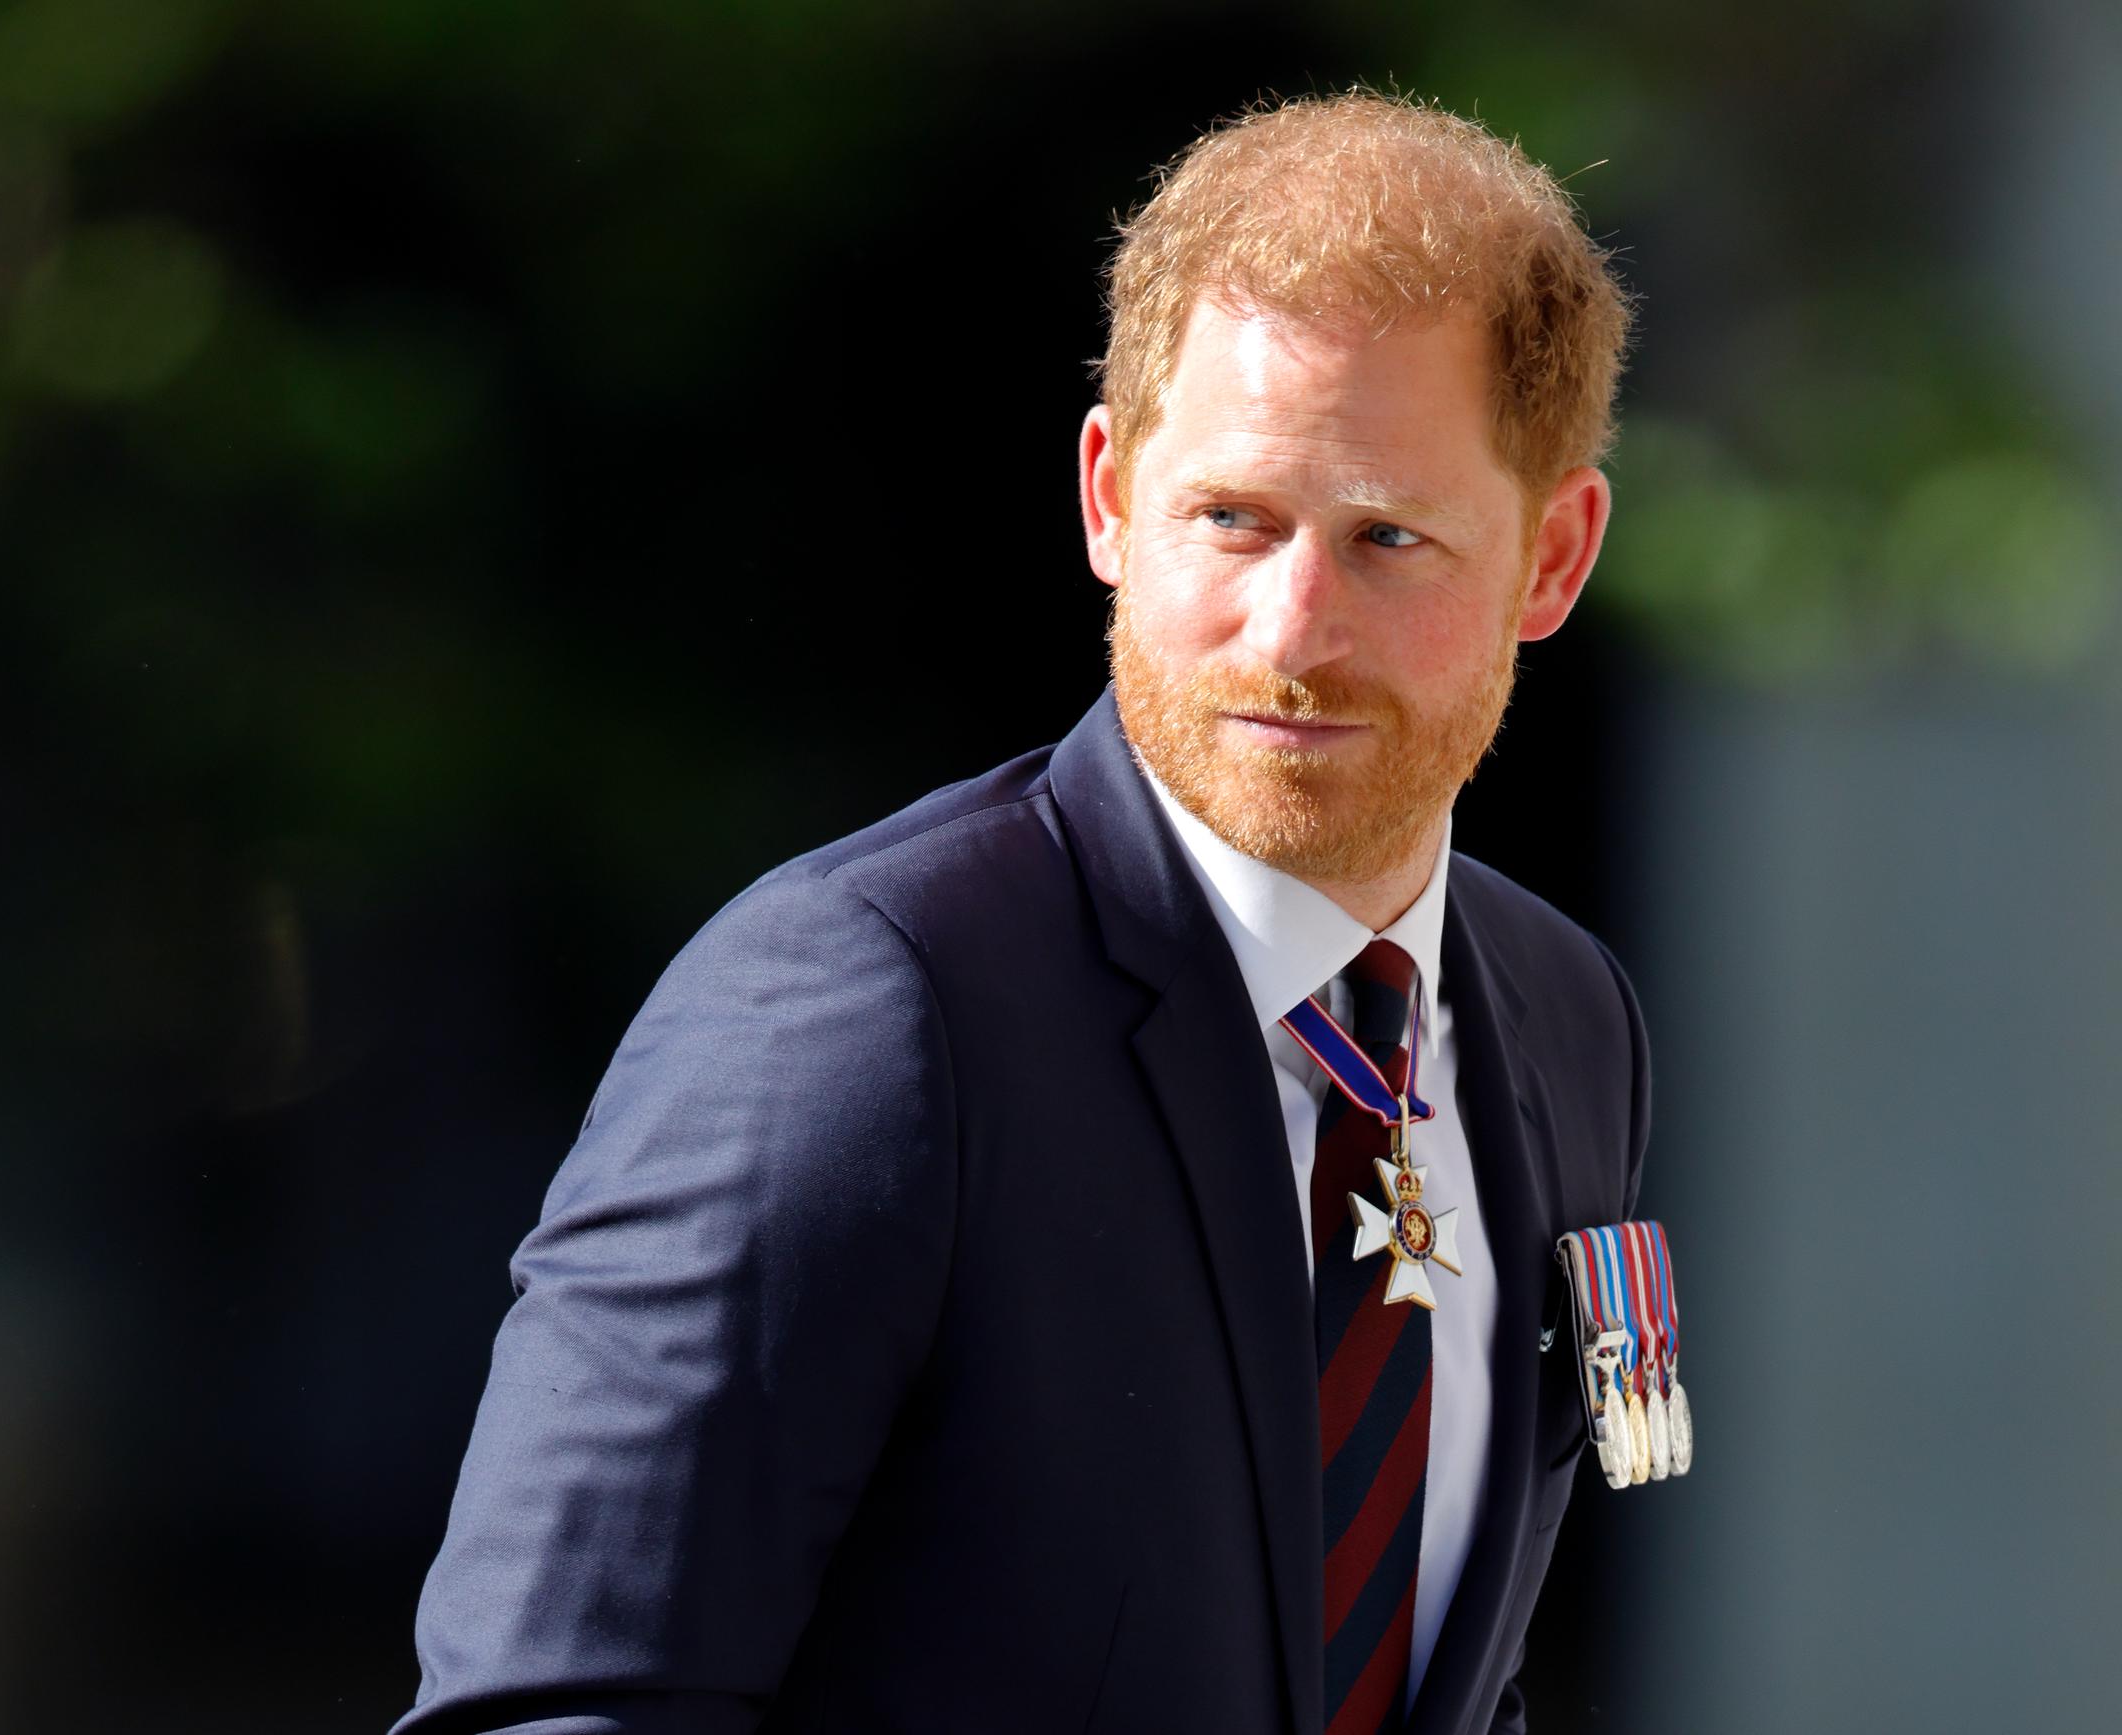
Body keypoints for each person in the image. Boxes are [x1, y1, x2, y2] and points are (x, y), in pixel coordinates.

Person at [391, 86, 1647, 1735]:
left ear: (1552, 559)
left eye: (1389, 539)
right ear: (1111, 497)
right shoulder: (863, 1006)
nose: (1292, 630)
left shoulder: (1565, 1017)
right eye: (1233, 520)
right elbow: (554, 1706)